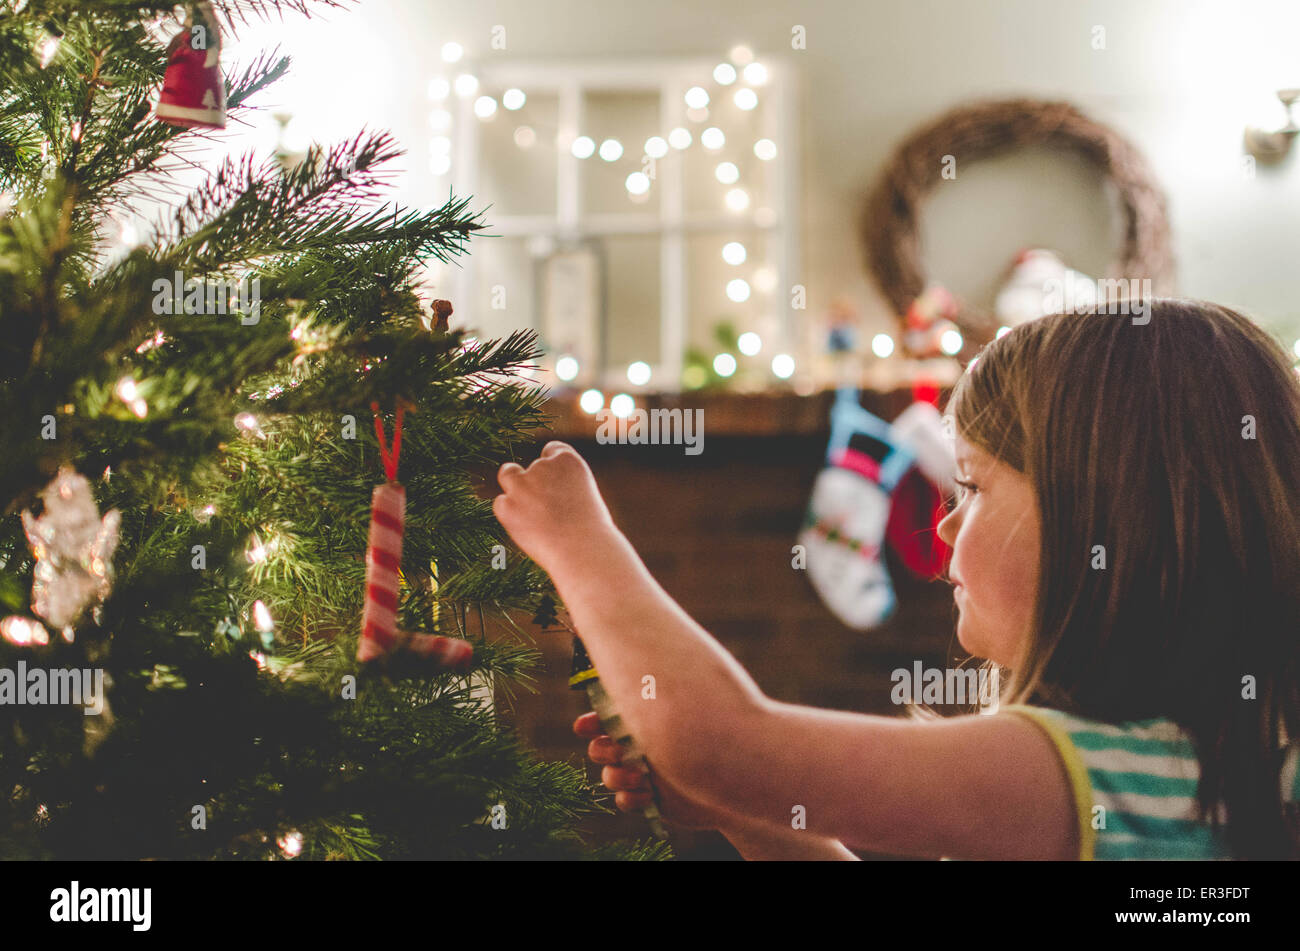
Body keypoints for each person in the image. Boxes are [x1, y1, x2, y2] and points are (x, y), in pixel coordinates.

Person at [493, 299, 1300, 860]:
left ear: (1102, 518)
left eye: (975, 488)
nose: (943, 523)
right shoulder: (1205, 761)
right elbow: (726, 758)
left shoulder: (1080, 771)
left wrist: (581, 545)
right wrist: (753, 814)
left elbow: (720, 736)